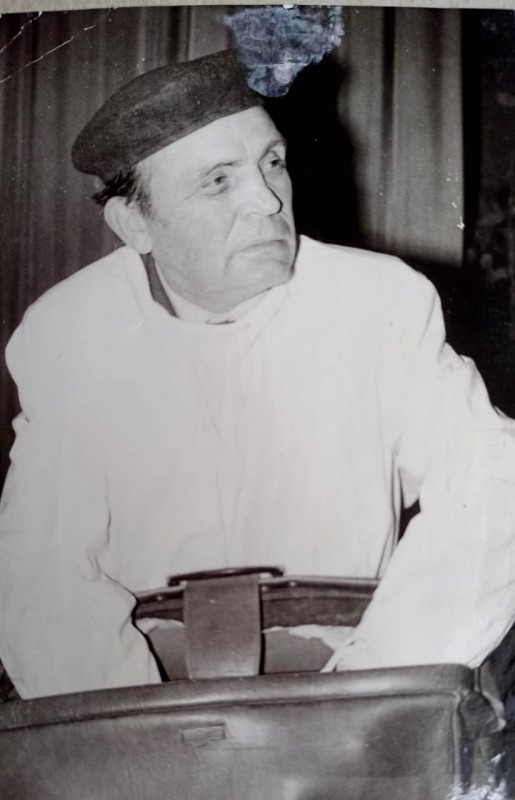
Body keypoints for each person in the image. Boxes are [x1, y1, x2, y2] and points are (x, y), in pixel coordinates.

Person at [1, 49, 515, 700]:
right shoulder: (69, 331)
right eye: (218, 181)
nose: (268, 201)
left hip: (355, 658)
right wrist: (132, 727)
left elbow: (492, 482)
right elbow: (42, 566)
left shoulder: (379, 300)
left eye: (272, 163)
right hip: (137, 670)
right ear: (134, 224)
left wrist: (377, 688)